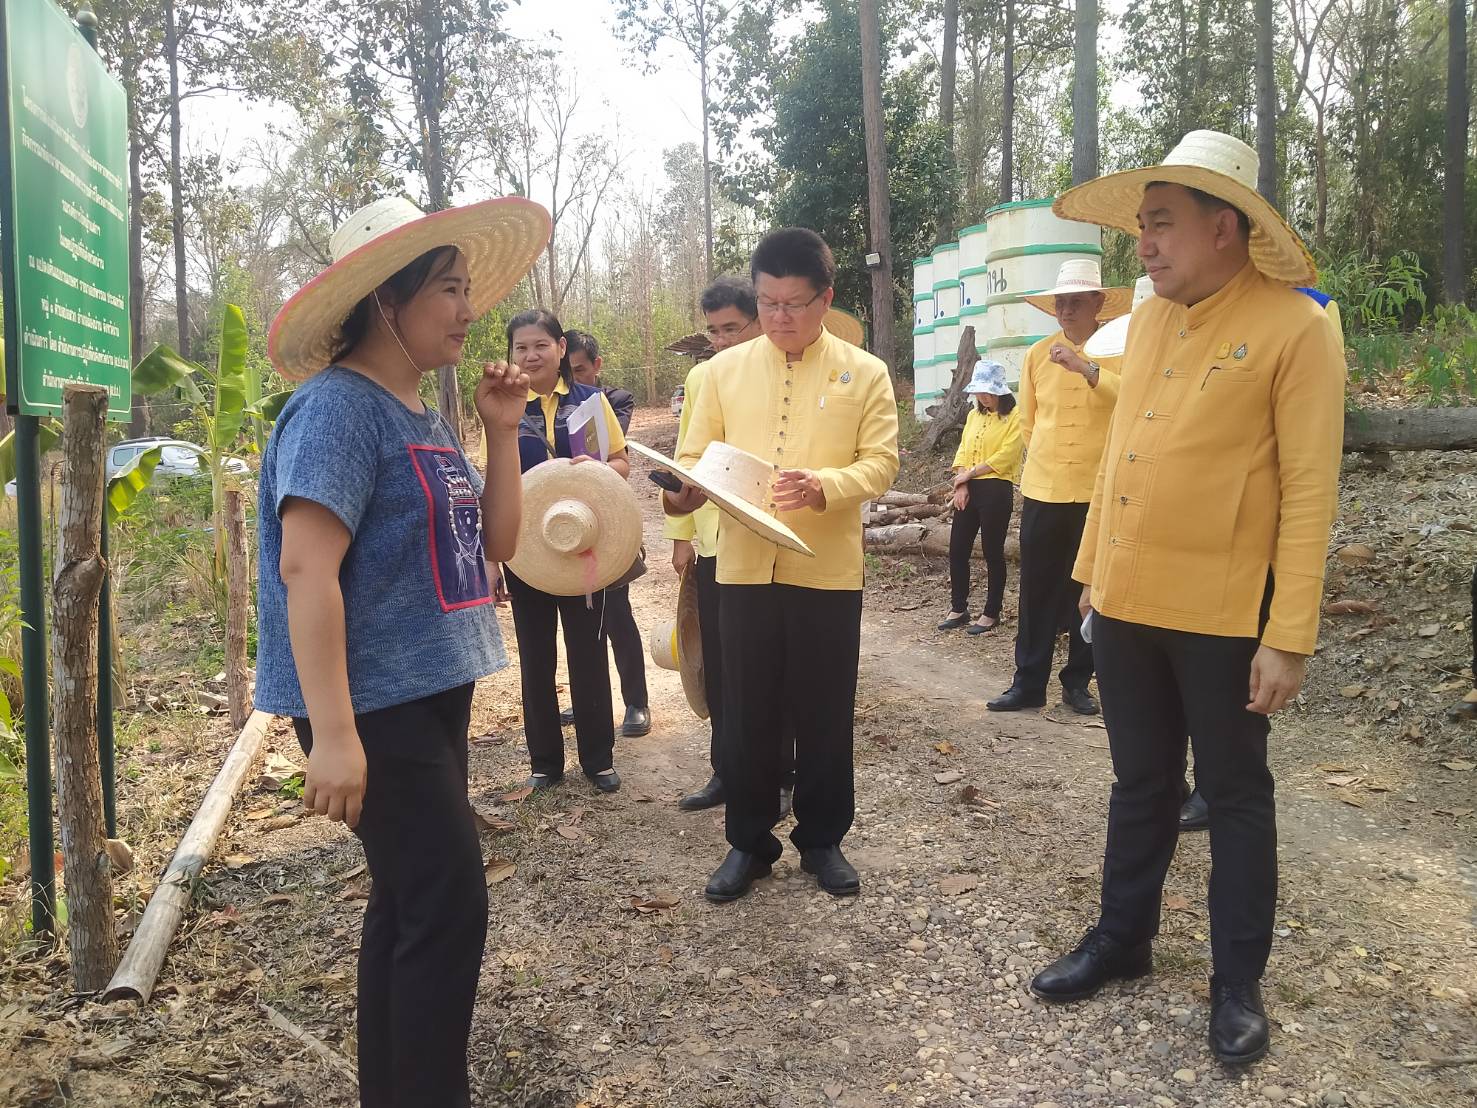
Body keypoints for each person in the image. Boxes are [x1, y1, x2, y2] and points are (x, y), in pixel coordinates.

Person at [1029, 130, 1345, 1067]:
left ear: (1223, 226)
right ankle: (1122, 939)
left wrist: (1286, 636)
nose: (1145, 246)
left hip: (1220, 615)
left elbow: (1309, 493)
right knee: (1140, 782)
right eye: (1141, 227)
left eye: (1160, 226)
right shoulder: (1151, 321)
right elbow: (1121, 454)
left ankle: (1235, 982)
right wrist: (1089, 579)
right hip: (1126, 603)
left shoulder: (1297, 327)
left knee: (1236, 794)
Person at [255, 194, 548, 1107]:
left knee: (408, 905)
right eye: (450, 288)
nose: (470, 308)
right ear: (388, 300)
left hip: (429, 691)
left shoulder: (416, 412)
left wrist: (501, 433)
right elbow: (306, 570)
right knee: (449, 907)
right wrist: (334, 736)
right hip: (372, 706)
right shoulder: (338, 411)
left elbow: (498, 545)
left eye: (467, 288)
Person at [663, 228, 900, 903]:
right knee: (745, 713)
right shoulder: (717, 373)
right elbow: (693, 458)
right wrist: (680, 490)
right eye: (767, 304)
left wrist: (826, 485)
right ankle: (749, 842)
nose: (779, 319)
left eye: (794, 304)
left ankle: (822, 839)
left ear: (825, 298)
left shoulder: (865, 372)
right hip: (739, 567)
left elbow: (881, 462)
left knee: (823, 708)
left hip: (825, 569)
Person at [666, 276, 797, 816]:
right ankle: (728, 769)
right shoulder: (704, 378)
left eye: (731, 329)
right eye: (713, 331)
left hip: (775, 540)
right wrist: (681, 536)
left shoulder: (785, 371)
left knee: (778, 663)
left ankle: (784, 773)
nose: (721, 341)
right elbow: (687, 459)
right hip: (718, 541)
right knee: (721, 664)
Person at [988, 259, 1129, 717]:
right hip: (1044, 490)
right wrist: (1048, 461)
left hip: (1097, 492)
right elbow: (1028, 422)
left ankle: (1078, 682)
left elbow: (1129, 403)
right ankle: (1028, 682)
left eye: (1076, 301)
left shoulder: (1119, 352)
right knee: (1037, 590)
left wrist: (1087, 368)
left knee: (1088, 592)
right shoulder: (1037, 354)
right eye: (1060, 303)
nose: (1066, 310)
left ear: (1098, 303)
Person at [505, 309, 632, 793]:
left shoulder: (590, 402)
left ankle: (598, 758)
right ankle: (545, 763)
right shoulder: (505, 407)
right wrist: (493, 558)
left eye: (540, 344)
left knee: (588, 650)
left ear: (561, 347)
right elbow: (492, 482)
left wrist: (595, 472)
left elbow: (620, 464)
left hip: (585, 545)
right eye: (521, 347)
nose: (531, 355)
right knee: (535, 655)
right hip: (526, 550)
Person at [561, 329, 651, 738]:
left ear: (596, 367)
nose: (572, 379)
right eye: (567, 371)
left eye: (579, 370)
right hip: (563, 526)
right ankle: (589, 700)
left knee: (617, 613)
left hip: (609, 523)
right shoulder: (547, 405)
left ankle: (637, 701)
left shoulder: (613, 401)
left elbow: (613, 455)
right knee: (577, 622)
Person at [938, 360, 1023, 635]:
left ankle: (991, 612)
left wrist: (970, 473)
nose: (982, 397)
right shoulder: (975, 416)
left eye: (987, 392)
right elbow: (963, 449)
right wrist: (962, 482)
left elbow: (1007, 455)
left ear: (1000, 391)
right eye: (978, 393)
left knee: (992, 552)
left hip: (996, 488)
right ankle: (958, 607)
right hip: (970, 487)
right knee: (958, 548)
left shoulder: (1015, 416)